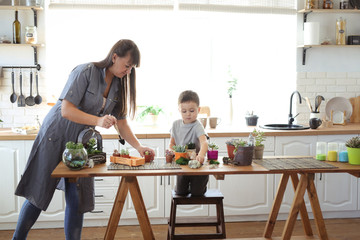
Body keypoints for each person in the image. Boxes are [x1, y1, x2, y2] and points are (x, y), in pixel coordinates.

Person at [12, 39, 155, 240]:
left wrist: (139, 146)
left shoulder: (118, 86)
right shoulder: (85, 71)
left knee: (76, 197)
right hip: (56, 135)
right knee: (39, 192)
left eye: (132, 68)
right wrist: (98, 120)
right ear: (114, 57)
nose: (128, 71)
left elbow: (121, 123)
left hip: (80, 143)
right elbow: (66, 110)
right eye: (127, 65)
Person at [169, 90, 209, 196]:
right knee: (180, 192)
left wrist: (201, 154)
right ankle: (184, 187)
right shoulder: (175, 125)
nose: (188, 114)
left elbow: (204, 143)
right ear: (179, 110)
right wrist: (172, 151)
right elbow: (172, 144)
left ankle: (200, 185)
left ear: (198, 110)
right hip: (182, 164)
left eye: (191, 110)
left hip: (197, 163)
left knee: (197, 193)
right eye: (184, 111)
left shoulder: (197, 125)